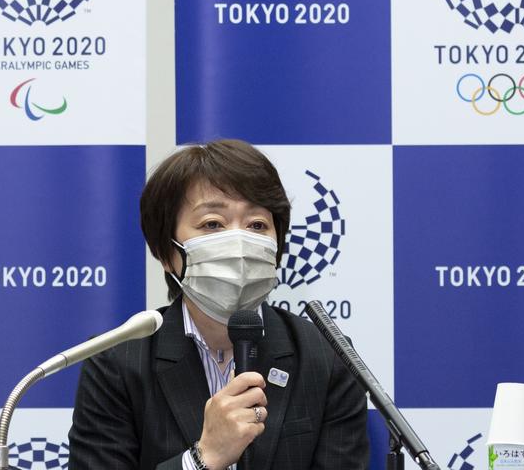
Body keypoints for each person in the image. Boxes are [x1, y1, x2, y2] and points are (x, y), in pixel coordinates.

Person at [69, 139, 369, 469]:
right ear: (168, 254)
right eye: (213, 224)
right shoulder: (115, 363)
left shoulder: (325, 357)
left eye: (257, 225)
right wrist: (202, 459)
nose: (239, 242)